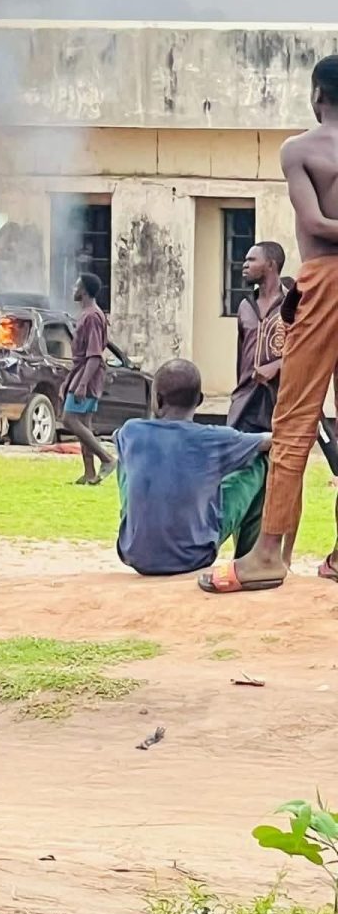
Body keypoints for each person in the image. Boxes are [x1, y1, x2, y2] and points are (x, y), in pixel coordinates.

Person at [203, 54, 338, 592]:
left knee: (294, 419)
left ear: (317, 95)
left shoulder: (300, 149)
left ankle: (268, 556)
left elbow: (314, 224)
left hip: (324, 280)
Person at [116, 360, 271, 576]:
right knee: (259, 461)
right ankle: (247, 558)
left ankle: (137, 528)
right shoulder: (215, 439)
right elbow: (269, 441)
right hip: (194, 557)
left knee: (125, 456)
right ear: (199, 401)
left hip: (135, 554)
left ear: (157, 399)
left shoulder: (130, 431)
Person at [228, 242, 290, 435]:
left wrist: (278, 365)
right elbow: (241, 354)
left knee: (280, 460)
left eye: (251, 260)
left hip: (280, 400)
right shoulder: (245, 306)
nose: (244, 265)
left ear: (271, 265)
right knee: (239, 459)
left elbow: (310, 353)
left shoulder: (293, 305)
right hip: (245, 402)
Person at [60, 272, 115, 486]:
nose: (73, 289)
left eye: (76, 285)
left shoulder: (91, 316)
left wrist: (82, 384)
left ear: (83, 290)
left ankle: (107, 459)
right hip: (82, 371)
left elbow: (94, 354)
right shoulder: (88, 314)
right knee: (84, 423)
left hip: (88, 373)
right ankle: (90, 473)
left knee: (69, 418)